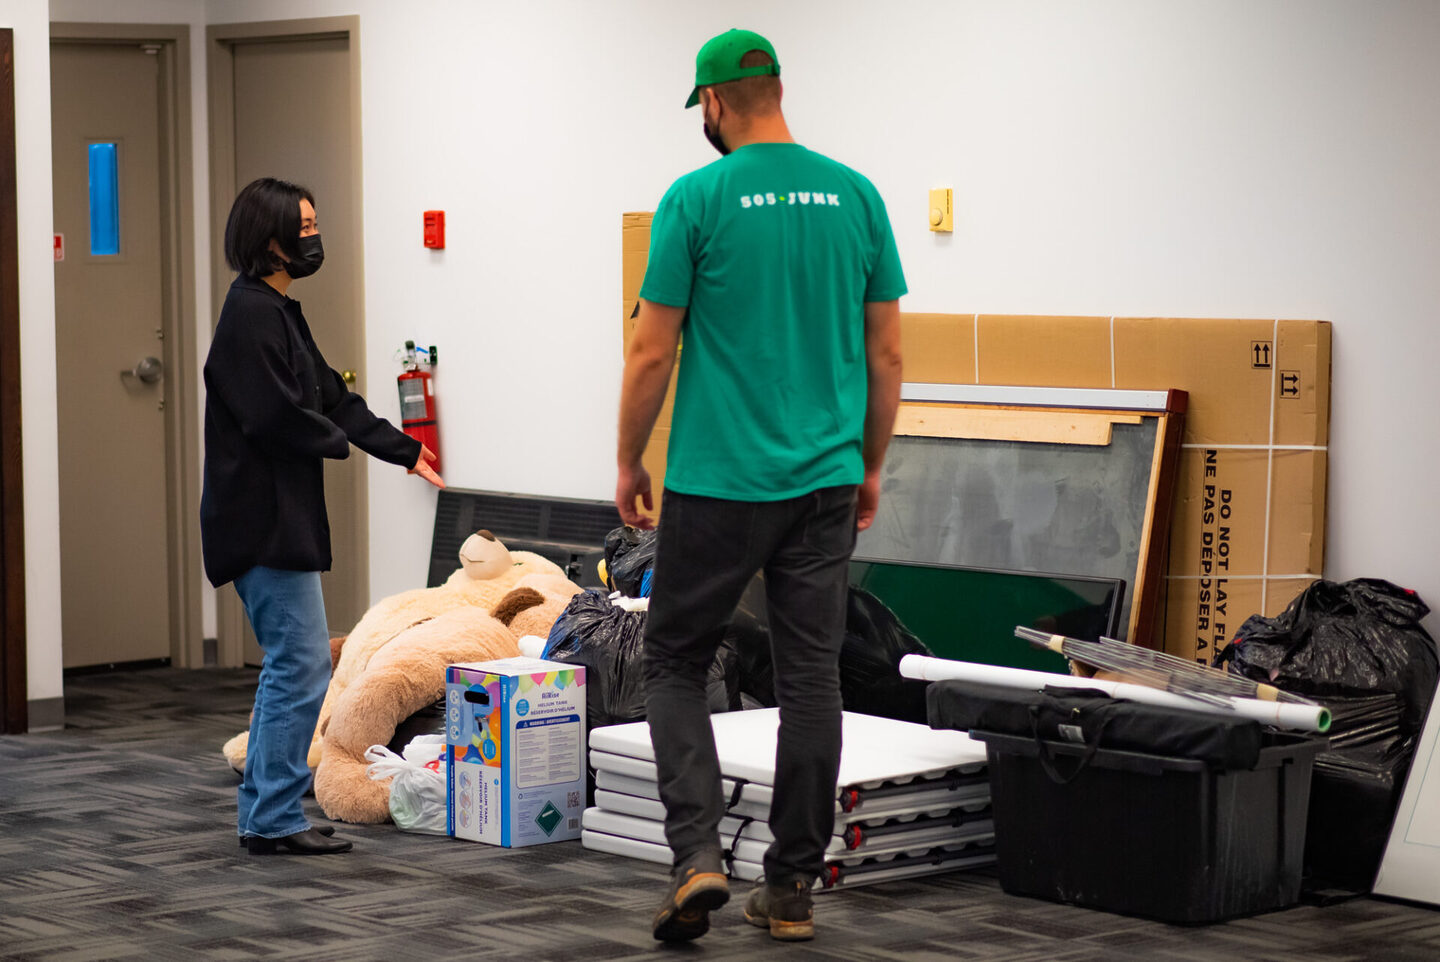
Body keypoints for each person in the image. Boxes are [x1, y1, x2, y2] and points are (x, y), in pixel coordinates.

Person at [615, 29, 906, 943]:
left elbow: (651, 348)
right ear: (777, 90)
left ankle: (697, 857)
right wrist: (868, 465)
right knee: (813, 673)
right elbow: (887, 352)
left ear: (712, 103)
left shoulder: (695, 198)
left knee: (673, 660)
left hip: (717, 483)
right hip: (822, 481)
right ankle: (790, 889)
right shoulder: (857, 195)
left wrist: (629, 460)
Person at [201, 177, 444, 855]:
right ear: (268, 241)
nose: (314, 239)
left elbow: (331, 398)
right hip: (259, 525)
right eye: (302, 229)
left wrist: (405, 450)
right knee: (302, 664)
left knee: (294, 663)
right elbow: (273, 416)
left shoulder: (280, 311)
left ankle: (267, 813)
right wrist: (336, 443)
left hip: (282, 520)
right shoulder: (249, 316)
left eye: (315, 225)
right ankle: (272, 818)